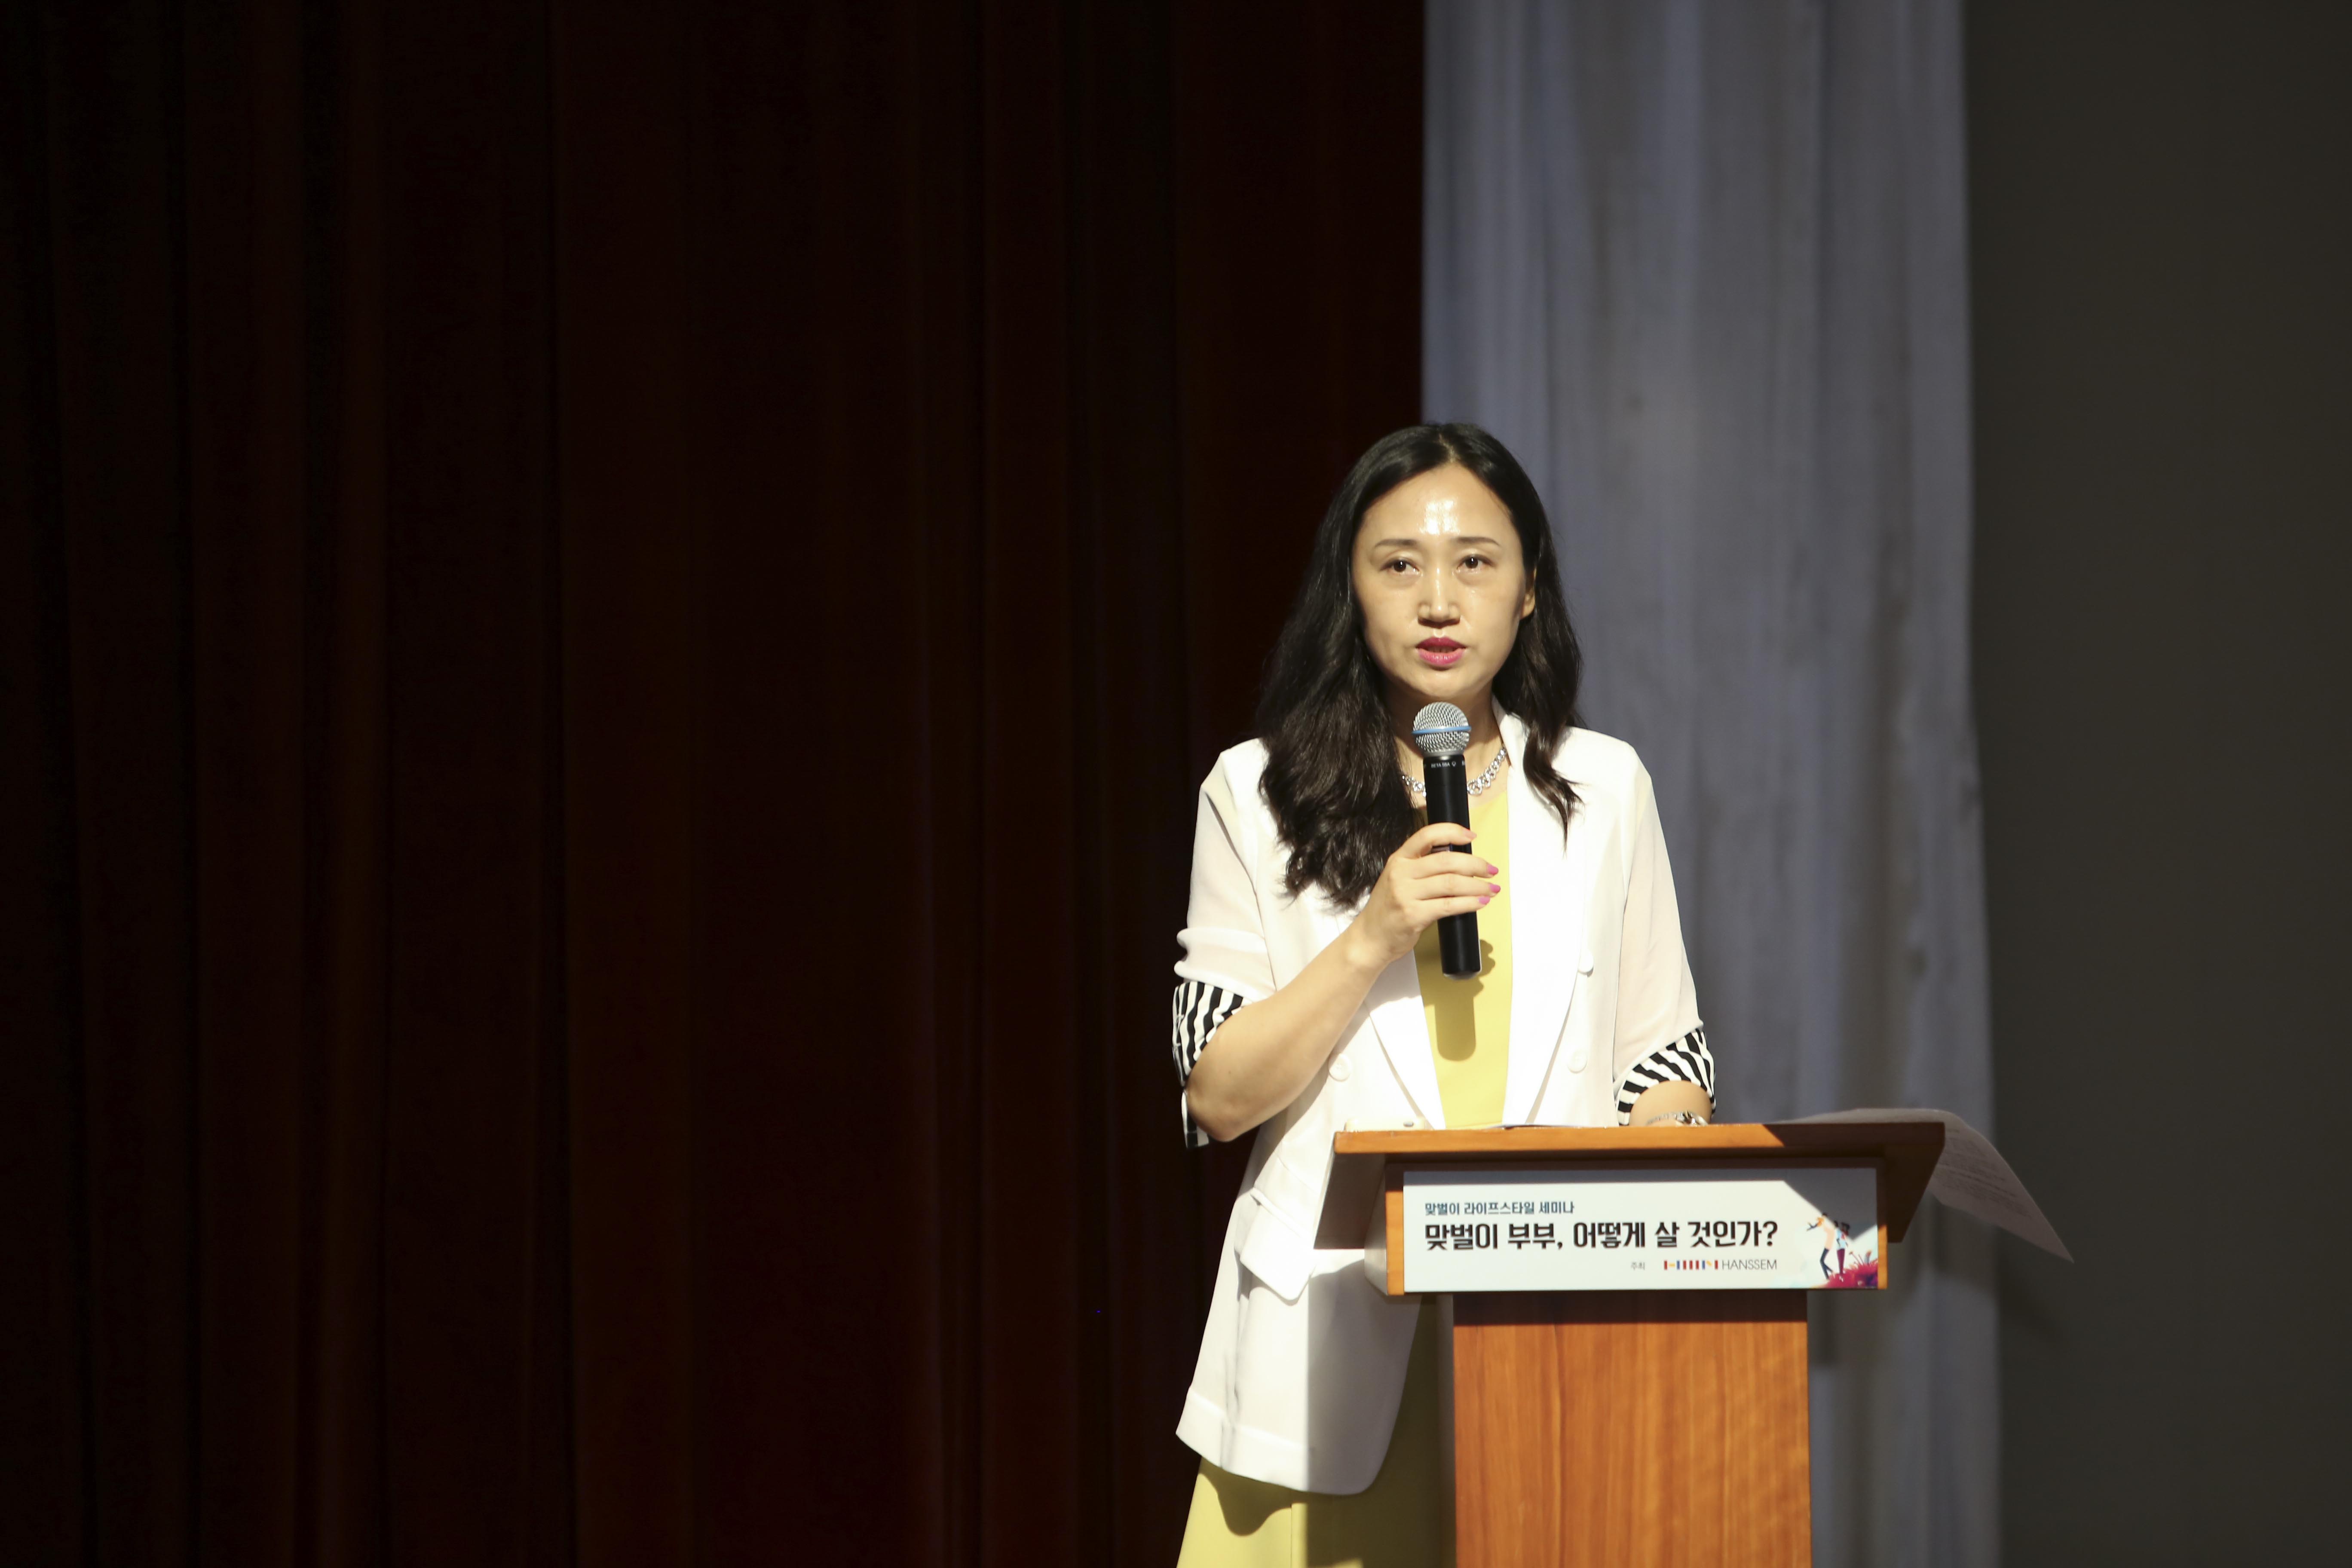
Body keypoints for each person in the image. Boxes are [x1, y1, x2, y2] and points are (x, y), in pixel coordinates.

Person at [1168, 424, 1716, 1567]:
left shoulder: (1605, 788)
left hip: (1548, 1323)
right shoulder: (1255, 794)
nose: (1438, 600)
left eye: (1475, 562)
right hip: (1324, 1336)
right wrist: (1372, 934)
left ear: (1528, 589)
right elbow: (1217, 1094)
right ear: (1351, 588)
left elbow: (1662, 1062)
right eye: (1399, 564)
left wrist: (1673, 1155)